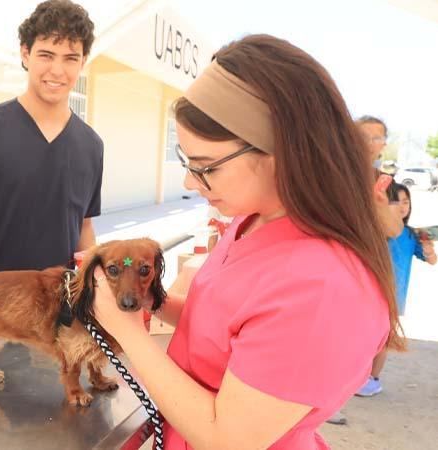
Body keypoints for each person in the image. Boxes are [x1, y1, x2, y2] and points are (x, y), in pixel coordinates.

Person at [90, 34, 404, 449]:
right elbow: (220, 326)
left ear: (281, 154)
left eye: (205, 168)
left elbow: (227, 438)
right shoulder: (249, 220)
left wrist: (126, 330)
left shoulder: (323, 287)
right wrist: (147, 299)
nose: (189, 182)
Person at [0, 0, 103, 275]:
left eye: (70, 58)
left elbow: (84, 228)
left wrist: (91, 287)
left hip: (58, 310)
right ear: (25, 54)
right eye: (46, 55)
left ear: (83, 61)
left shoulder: (92, 146)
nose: (58, 71)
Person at [356, 182, 436, 397]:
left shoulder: (412, 235)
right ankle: (356, 376)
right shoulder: (374, 231)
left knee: (383, 339)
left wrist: (428, 249)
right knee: (363, 335)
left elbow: (431, 260)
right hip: (369, 292)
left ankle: (372, 378)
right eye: (396, 201)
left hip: (394, 296)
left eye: (406, 201)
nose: (402, 206)